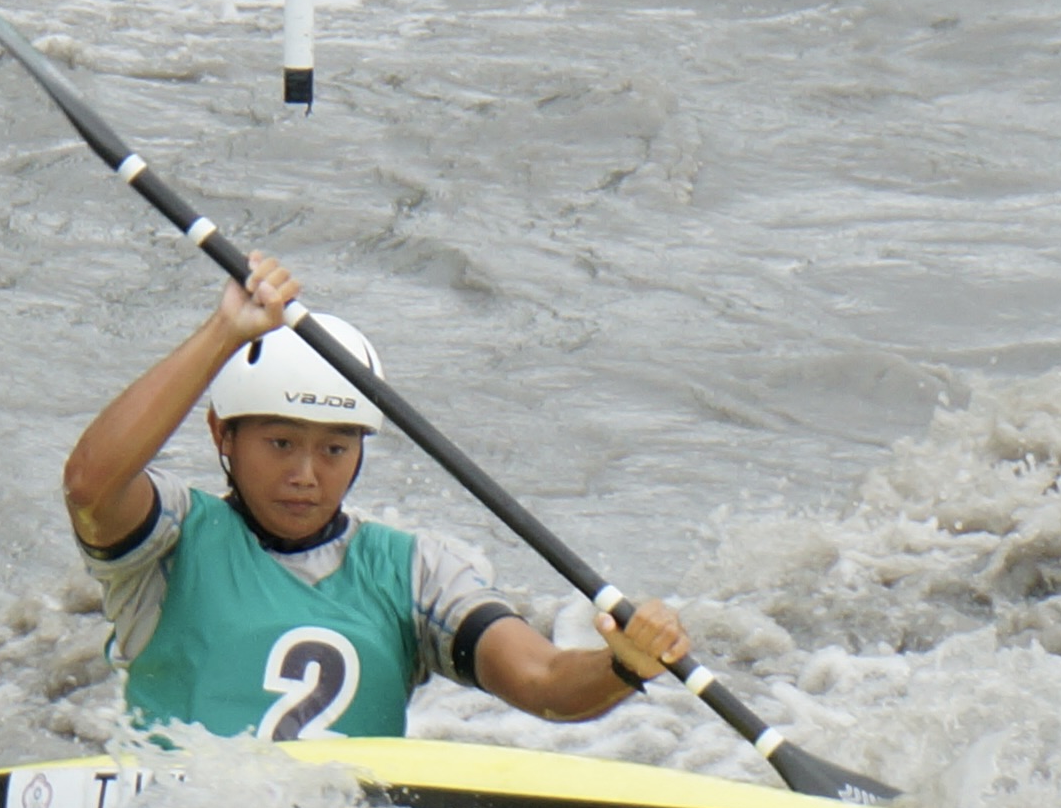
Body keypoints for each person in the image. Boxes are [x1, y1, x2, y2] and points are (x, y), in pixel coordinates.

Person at [63, 254, 690, 742]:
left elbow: (542, 682)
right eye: (280, 444)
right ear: (223, 434)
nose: (307, 474)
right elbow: (91, 484)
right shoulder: (172, 538)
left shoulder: (418, 574)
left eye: (335, 450)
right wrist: (224, 331)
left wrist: (622, 666)